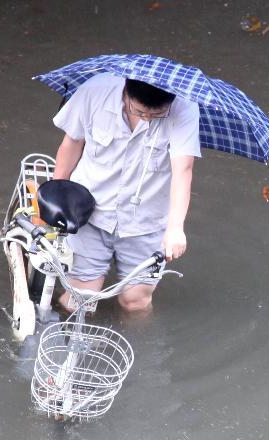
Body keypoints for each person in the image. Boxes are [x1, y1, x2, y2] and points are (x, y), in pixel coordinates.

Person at [51, 72, 201, 315]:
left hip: (146, 219)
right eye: (140, 112)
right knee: (79, 301)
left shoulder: (184, 107)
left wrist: (175, 228)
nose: (147, 120)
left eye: (157, 115)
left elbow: (183, 169)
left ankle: (141, 346)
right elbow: (72, 143)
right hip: (90, 211)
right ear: (125, 93)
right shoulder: (95, 91)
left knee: (135, 302)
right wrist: (56, 194)